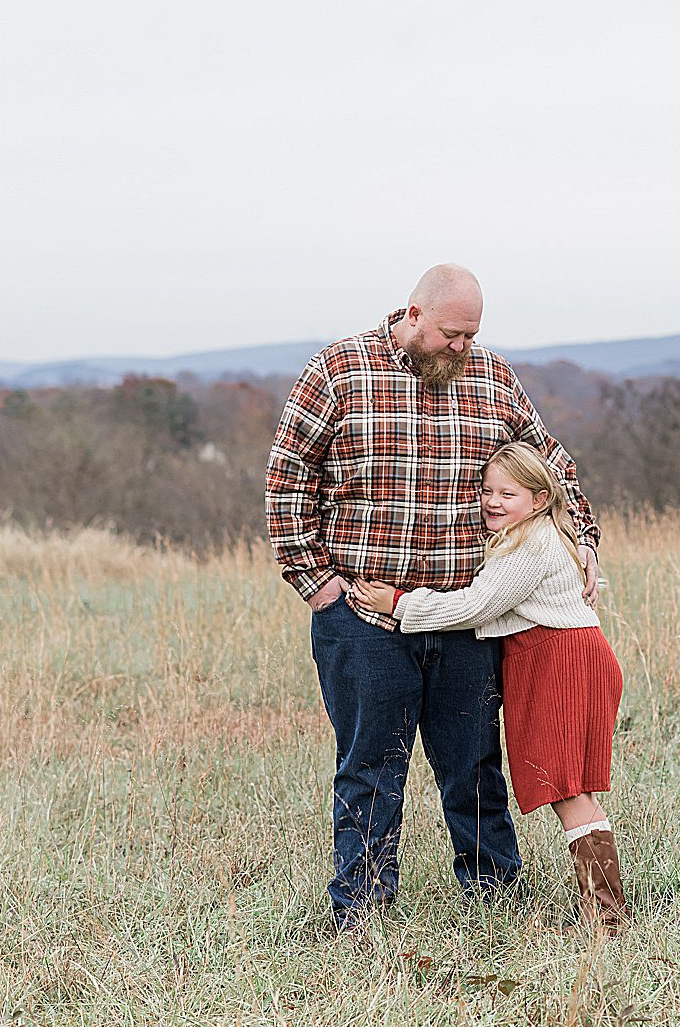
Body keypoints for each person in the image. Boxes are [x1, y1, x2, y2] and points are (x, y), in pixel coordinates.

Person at [266, 264, 602, 929]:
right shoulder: (337, 372)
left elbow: (549, 463)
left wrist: (583, 536)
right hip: (363, 618)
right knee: (370, 769)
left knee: (474, 766)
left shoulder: (492, 378)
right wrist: (316, 583)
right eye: (452, 334)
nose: (461, 348)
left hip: (468, 617)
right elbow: (287, 478)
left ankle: (497, 904)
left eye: (471, 336)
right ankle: (361, 913)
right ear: (413, 314)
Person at [351, 442, 628, 932]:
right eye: (486, 491)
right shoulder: (531, 535)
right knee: (570, 786)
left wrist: (398, 603)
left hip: (560, 660)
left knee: (568, 789)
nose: (493, 502)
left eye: (509, 493)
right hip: (559, 656)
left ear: (541, 499)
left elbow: (475, 606)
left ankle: (607, 919)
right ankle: (605, 913)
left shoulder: (529, 546)